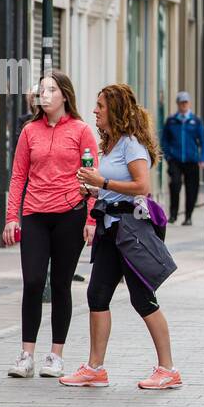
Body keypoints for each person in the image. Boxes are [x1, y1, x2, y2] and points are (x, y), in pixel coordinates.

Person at [63, 84, 181, 389]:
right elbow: (112, 184)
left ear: (114, 109)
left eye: (100, 106)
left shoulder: (131, 145)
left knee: (143, 298)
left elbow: (142, 186)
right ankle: (95, 368)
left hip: (130, 231)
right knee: (96, 295)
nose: (95, 111)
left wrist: (101, 181)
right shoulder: (111, 145)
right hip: (110, 228)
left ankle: (168, 369)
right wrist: (93, 189)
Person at [2, 69, 99, 380]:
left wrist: (91, 217)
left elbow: (92, 176)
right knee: (32, 282)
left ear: (64, 95)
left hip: (70, 214)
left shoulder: (82, 131)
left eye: (51, 90)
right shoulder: (30, 132)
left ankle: (55, 355)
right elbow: (18, 176)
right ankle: (26, 354)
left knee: (60, 284)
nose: (44, 94)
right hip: (35, 214)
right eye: (41, 89)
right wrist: (11, 216)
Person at [160, 92, 204, 225]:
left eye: (186, 102)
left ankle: (188, 216)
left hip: (192, 160)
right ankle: (173, 214)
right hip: (175, 160)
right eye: (181, 103)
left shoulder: (196, 121)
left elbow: (203, 141)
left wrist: (202, 159)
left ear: (189, 103)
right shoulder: (171, 121)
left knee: (192, 188)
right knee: (175, 185)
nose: (184, 105)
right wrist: (168, 156)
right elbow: (164, 141)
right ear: (178, 104)